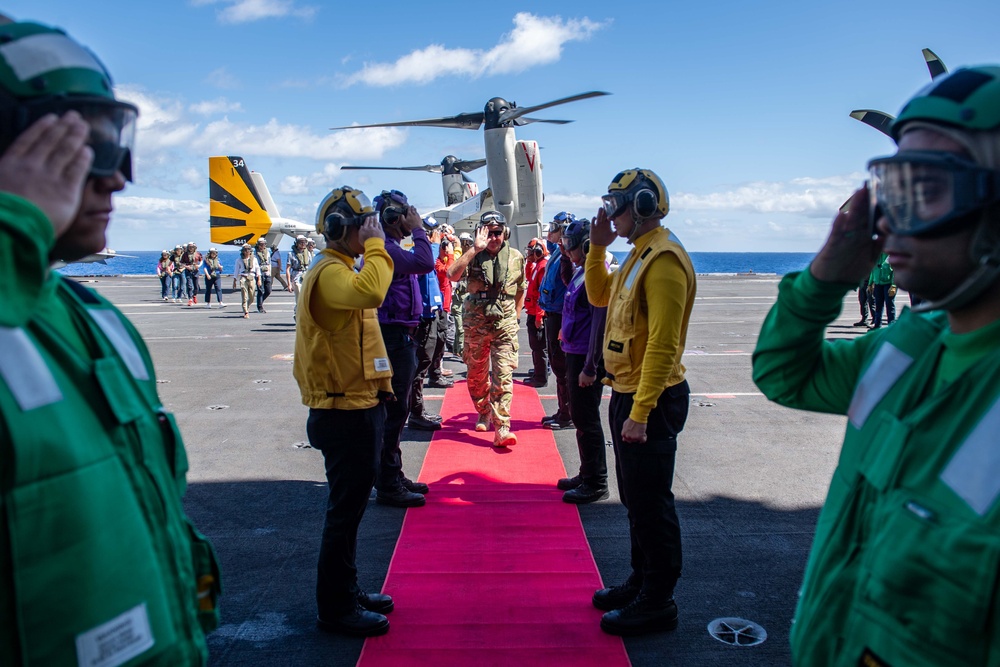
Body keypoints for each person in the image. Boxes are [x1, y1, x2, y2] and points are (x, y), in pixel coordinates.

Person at [752, 66, 1000, 666]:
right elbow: (785, 372)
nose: (888, 219)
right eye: (891, 190)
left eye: (927, 188)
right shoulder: (909, 344)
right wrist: (824, 278)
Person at [0, 20, 220, 664]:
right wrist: (15, 220)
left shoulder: (97, 321)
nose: (115, 180)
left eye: (110, 145)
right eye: (66, 148)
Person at [585, 168, 696, 636]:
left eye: (617, 204)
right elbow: (597, 295)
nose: (610, 213)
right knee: (634, 497)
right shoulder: (635, 256)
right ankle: (641, 579)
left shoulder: (664, 261)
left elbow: (664, 346)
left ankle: (658, 600)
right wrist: (596, 247)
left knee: (651, 503)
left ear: (643, 206)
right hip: (627, 392)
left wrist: (641, 412)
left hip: (650, 400)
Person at [293, 185, 395, 637]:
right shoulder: (330, 273)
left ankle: (346, 591)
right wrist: (378, 245)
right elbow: (373, 292)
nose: (371, 231)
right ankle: (335, 608)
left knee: (350, 513)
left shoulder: (341, 268)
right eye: (364, 225)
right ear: (339, 230)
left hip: (357, 404)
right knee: (343, 513)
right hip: (342, 413)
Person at [373, 189, 434, 507]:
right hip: (393, 337)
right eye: (404, 213)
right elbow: (426, 263)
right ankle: (387, 482)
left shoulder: (392, 247)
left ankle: (392, 475)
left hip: (400, 335)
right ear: (392, 218)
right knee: (394, 412)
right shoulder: (385, 249)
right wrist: (420, 229)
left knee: (397, 410)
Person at [447, 210, 526, 447]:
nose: (494, 237)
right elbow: (452, 274)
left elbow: (520, 288)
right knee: (476, 376)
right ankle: (484, 411)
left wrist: (517, 315)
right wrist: (474, 249)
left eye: (498, 233)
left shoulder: (515, 257)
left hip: (504, 324)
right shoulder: (472, 255)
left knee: (504, 375)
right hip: (476, 323)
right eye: (489, 233)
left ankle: (502, 427)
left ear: (505, 233)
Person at [557, 219, 609, 504]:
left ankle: (596, 481)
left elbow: (599, 324)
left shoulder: (595, 273)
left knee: (587, 419)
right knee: (580, 417)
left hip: (587, 358)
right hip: (575, 352)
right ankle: (586, 472)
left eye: (569, 245)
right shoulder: (581, 271)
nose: (566, 250)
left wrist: (590, 367)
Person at [539, 213, 573, 429]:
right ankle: (563, 410)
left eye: (555, 227)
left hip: (560, 315)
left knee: (563, 367)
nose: (550, 231)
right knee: (558, 366)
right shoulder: (556, 253)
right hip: (552, 314)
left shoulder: (565, 257)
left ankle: (567, 415)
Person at [523, 237, 549, 387]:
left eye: (532, 252)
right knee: (536, 346)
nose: (529, 254)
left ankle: (541, 378)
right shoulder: (538, 266)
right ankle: (539, 371)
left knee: (539, 347)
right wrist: (528, 262)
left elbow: (541, 294)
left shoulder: (543, 267)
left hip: (536, 313)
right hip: (532, 312)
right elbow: (529, 277)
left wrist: (539, 316)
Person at [450, 232, 473, 358]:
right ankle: (460, 349)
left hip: (466, 295)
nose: (466, 245)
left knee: (462, 324)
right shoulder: (456, 256)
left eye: (467, 242)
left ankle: (457, 348)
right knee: (460, 325)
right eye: (463, 242)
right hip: (457, 295)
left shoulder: (471, 258)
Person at [868, 251, 896, 328]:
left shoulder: (890, 255)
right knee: (878, 306)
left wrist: (893, 285)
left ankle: (891, 326)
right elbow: (873, 270)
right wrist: (870, 283)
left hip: (888, 284)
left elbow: (896, 271)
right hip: (878, 284)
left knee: (890, 305)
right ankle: (877, 325)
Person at [287, 234, 312, 319]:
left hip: (306, 276)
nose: (302, 244)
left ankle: (299, 314)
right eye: (300, 242)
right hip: (296, 276)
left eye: (304, 242)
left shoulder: (308, 253)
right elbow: (288, 269)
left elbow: (312, 267)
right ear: (296, 243)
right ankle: (297, 315)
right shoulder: (291, 254)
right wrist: (289, 283)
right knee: (299, 298)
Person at [235, 242, 261, 318]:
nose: (246, 251)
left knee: (252, 297)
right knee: (244, 296)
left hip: (252, 278)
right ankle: (245, 311)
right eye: (245, 250)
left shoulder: (254, 259)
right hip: (243, 278)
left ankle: (247, 307)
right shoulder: (239, 260)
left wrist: (259, 279)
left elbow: (257, 269)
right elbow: (236, 271)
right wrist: (234, 280)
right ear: (242, 251)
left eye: (248, 250)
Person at [181, 241, 203, 306]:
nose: (191, 248)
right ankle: (190, 299)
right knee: (189, 285)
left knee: (196, 286)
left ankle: (194, 295)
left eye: (192, 247)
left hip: (195, 270)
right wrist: (186, 266)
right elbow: (182, 262)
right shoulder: (185, 254)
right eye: (189, 247)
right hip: (188, 271)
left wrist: (199, 266)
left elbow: (201, 261)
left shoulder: (198, 254)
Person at [254, 237, 272, 313]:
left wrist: (270, 272)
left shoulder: (267, 252)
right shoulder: (254, 253)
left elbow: (269, 262)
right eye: (260, 244)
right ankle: (260, 307)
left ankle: (260, 302)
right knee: (260, 290)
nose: (262, 246)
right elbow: (255, 264)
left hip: (267, 272)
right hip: (259, 273)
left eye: (263, 244)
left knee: (268, 291)